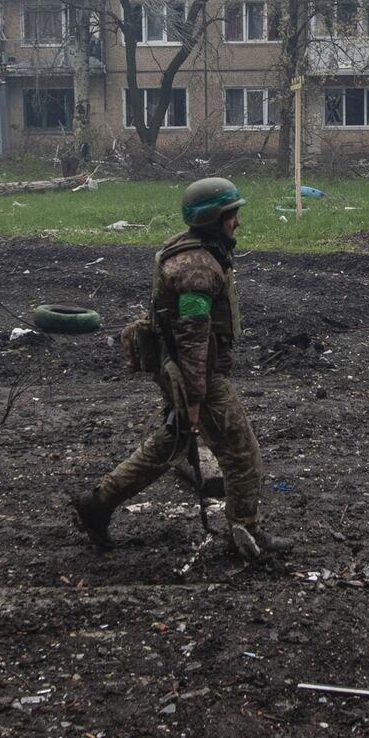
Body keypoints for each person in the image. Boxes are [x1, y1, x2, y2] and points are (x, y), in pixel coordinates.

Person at [72, 177, 291, 562]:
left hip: (187, 371)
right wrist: (193, 400)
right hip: (199, 376)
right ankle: (247, 532)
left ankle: (99, 503)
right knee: (242, 455)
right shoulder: (198, 269)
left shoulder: (196, 251)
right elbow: (193, 340)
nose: (236, 222)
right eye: (231, 214)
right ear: (214, 218)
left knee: (169, 443)